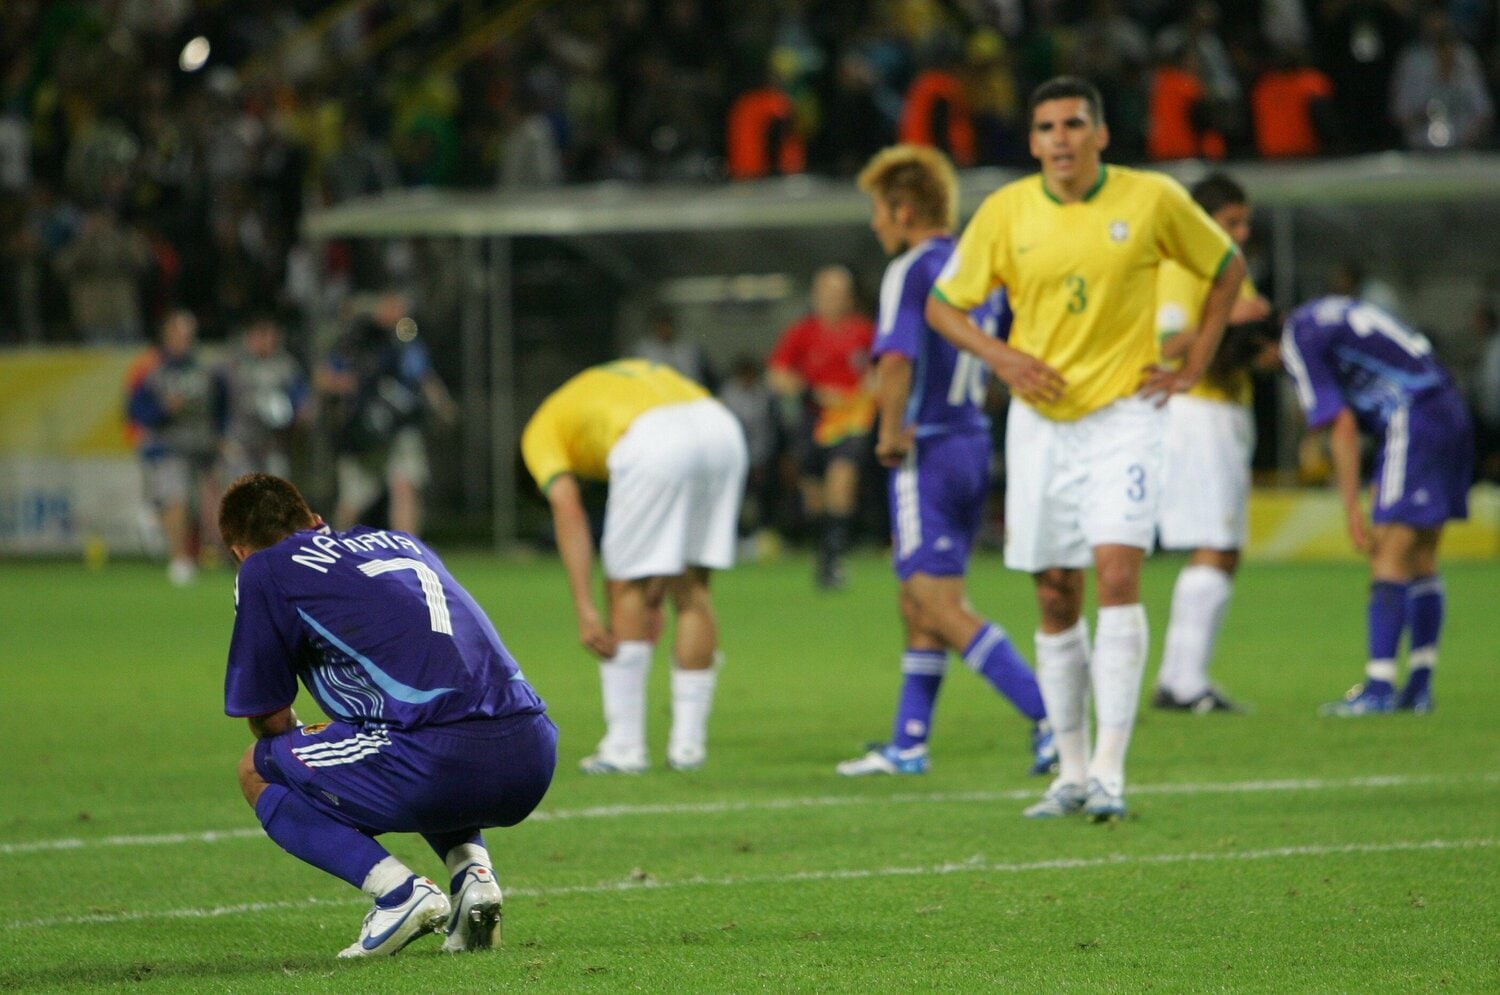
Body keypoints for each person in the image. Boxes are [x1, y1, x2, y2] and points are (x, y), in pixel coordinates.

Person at [925, 76, 1246, 822]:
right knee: (1053, 591)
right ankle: (1069, 772)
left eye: (1073, 124)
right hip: (1041, 422)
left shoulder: (1152, 198)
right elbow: (944, 306)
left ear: (1101, 134)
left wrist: (1196, 358)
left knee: (1116, 571)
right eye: (1045, 128)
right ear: (1033, 140)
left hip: (1125, 414)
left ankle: (1110, 772)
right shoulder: (1007, 211)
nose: (1060, 139)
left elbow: (1226, 266)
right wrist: (1004, 360)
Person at [219, 473, 556, 958]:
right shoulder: (398, 540)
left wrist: (307, 764)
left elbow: (269, 716)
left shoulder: (263, 569)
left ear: (238, 553)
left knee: (256, 768)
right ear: (317, 522)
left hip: (435, 760)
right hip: (533, 747)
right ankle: (474, 877)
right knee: (397, 728)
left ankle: (399, 894)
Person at [836, 144, 1055, 779]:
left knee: (934, 602)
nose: (876, 223)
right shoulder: (972, 265)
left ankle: (1051, 716)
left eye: (879, 210)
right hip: (971, 441)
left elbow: (896, 358)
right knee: (921, 600)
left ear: (903, 210)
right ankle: (909, 743)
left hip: (927, 445)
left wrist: (888, 431)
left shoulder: (909, 268)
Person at [521, 358, 748, 773]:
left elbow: (568, 509)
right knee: (694, 587)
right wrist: (657, 584)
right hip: (720, 428)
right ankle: (688, 747)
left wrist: (585, 609)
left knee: (625, 586)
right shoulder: (597, 383)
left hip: (654, 438)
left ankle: (625, 748)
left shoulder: (538, 434)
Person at [1278, 296, 1473, 716]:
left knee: (1387, 551)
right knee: (1422, 554)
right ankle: (1418, 688)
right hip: (1449, 406)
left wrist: (1351, 510)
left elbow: (1342, 426)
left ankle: (1379, 688)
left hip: (1412, 414)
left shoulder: (1297, 335)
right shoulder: (1333, 309)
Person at [1151, 173, 1274, 714]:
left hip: (1228, 409)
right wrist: (1228, 318)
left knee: (1225, 548)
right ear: (1202, 222)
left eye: (1245, 221)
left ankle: (1180, 678)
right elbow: (1168, 343)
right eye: (1231, 222)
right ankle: (1184, 681)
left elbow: (1235, 342)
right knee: (1214, 543)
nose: (1242, 232)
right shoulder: (1183, 266)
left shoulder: (1231, 272)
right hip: (1196, 412)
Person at [767, 265, 877, 590]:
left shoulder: (864, 332)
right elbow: (777, 374)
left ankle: (833, 560)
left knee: (842, 482)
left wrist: (861, 393)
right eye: (826, 293)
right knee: (815, 496)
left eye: (838, 294)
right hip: (812, 420)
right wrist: (811, 391)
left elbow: (884, 371)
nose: (831, 300)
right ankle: (823, 554)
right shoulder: (801, 332)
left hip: (849, 422)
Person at [316, 291, 457, 537]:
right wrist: (354, 384)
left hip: (401, 426)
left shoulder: (408, 342)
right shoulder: (357, 339)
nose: (396, 314)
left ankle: (408, 552)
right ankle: (335, 553)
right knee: (353, 499)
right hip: (364, 431)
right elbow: (324, 378)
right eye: (390, 307)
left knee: (405, 485)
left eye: (400, 308)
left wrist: (443, 405)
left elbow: (425, 377)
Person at [126, 309, 221, 585]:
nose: (184, 340)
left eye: (189, 335)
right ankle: (178, 560)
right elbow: (135, 410)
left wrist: (219, 435)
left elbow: (220, 407)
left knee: (206, 504)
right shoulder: (150, 370)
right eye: (179, 334)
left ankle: (205, 553)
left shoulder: (205, 371)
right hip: (167, 447)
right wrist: (163, 410)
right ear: (166, 335)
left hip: (201, 447)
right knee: (176, 498)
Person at [215, 312, 311, 481]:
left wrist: (300, 411)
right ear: (249, 337)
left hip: (272, 442)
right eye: (261, 335)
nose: (266, 340)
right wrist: (220, 435)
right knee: (243, 494)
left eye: (270, 335)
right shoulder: (232, 366)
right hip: (241, 442)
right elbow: (217, 402)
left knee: (276, 491)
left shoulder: (284, 365)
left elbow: (300, 396)